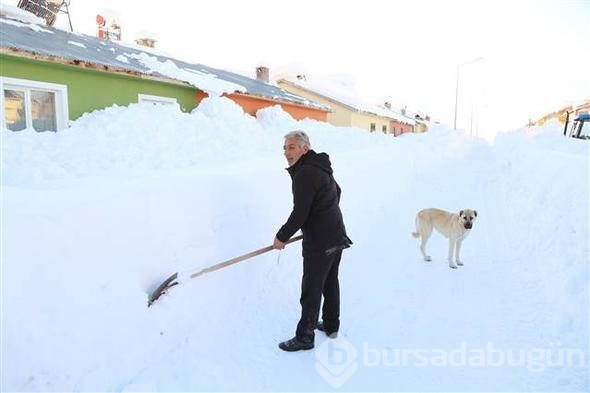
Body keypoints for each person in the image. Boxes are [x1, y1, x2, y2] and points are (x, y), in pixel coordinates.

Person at [273, 130, 352, 352]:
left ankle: (305, 337)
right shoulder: (320, 166)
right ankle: (330, 324)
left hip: (320, 241)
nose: (287, 152)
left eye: (292, 147)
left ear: (304, 149)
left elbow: (300, 213)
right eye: (285, 148)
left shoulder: (306, 173)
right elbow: (337, 191)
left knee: (312, 287)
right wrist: (324, 211)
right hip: (336, 234)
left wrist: (281, 237)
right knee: (329, 281)